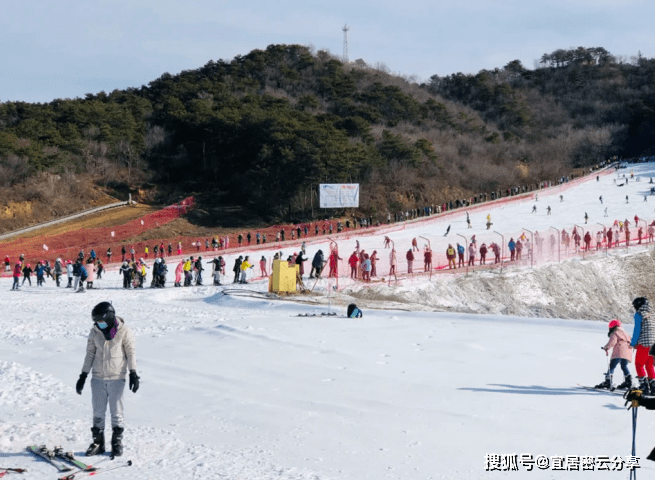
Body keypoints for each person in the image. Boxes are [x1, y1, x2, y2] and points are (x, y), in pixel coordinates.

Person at [76, 302, 139, 457]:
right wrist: (83, 375)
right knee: (98, 412)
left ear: (109, 317)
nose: (99, 324)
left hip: (117, 378)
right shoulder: (95, 332)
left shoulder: (125, 331)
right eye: (96, 321)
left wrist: (133, 373)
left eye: (101, 321)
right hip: (97, 377)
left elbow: (131, 353)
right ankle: (98, 443)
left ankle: (117, 442)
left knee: (116, 412)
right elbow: (90, 354)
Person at [595, 319, 633, 390]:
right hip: (628, 352)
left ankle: (608, 381)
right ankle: (628, 380)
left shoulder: (615, 332)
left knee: (612, 366)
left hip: (618, 352)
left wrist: (606, 348)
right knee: (624, 366)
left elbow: (612, 342)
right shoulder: (626, 333)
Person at [631, 297, 655, 394]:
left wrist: (633, 343)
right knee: (649, 365)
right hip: (653, 344)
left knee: (639, 364)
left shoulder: (639, 314)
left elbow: (637, 330)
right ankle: (653, 386)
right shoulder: (652, 314)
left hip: (644, 344)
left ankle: (644, 385)